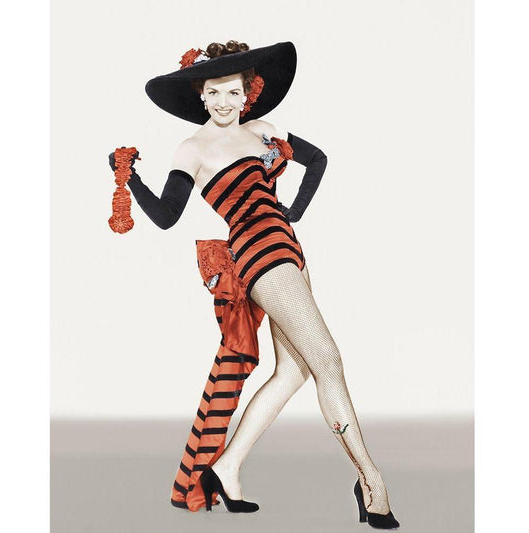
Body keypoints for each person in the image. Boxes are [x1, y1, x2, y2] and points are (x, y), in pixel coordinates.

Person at [109, 40, 400, 529]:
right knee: (328, 360)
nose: (224, 102)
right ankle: (372, 481)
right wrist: (130, 177)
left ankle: (227, 467)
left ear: (248, 93)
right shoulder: (193, 149)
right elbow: (166, 215)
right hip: (258, 254)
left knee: (294, 371)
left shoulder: (264, 129)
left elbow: (318, 159)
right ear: (201, 95)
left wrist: (295, 211)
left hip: (289, 247)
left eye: (233, 91)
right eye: (214, 92)